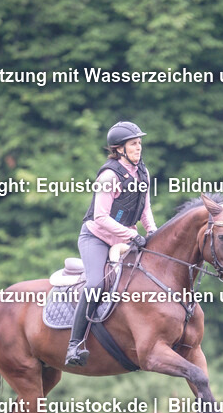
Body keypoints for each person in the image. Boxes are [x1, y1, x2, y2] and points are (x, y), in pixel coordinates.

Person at [65, 121, 158, 366]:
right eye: (134, 144)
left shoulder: (143, 173)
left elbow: (145, 210)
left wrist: (153, 232)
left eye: (140, 143)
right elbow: (100, 217)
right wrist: (132, 236)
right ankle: (74, 345)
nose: (139, 148)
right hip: (96, 238)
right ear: (119, 149)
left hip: (124, 239)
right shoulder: (108, 176)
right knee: (96, 282)